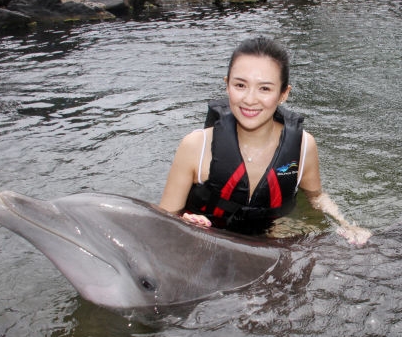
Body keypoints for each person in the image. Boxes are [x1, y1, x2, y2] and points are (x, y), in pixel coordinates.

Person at [159, 37, 371, 246]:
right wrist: (184, 224)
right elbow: (161, 221)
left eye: (265, 89)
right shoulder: (196, 146)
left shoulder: (303, 146)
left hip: (269, 240)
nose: (250, 99)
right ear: (227, 86)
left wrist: (346, 224)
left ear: (283, 94)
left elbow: (316, 197)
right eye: (240, 85)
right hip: (205, 241)